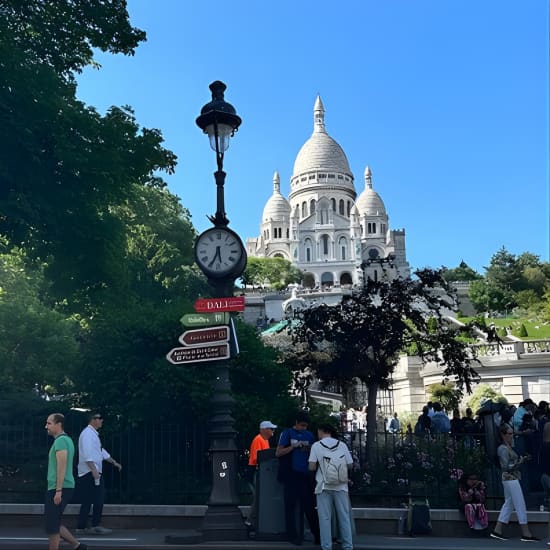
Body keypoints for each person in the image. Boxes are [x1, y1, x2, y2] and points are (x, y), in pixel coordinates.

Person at [276, 411, 320, 546]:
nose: (303, 428)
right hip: (292, 474)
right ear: (296, 423)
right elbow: (278, 452)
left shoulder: (309, 435)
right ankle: (293, 535)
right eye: (301, 425)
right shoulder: (287, 433)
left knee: (310, 507)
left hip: (305, 474)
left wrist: (308, 447)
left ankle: (317, 535)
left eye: (306, 426)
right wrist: (293, 447)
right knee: (290, 505)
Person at [490, 423, 540, 542]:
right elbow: (505, 467)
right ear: (503, 434)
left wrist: (521, 460)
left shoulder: (507, 447)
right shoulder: (502, 448)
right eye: (510, 433)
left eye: (512, 433)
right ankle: (526, 533)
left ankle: (497, 530)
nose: (512, 436)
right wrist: (520, 462)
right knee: (520, 504)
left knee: (509, 504)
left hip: (510, 478)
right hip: (510, 478)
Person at [45, 413, 87, 550]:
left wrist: (58, 490)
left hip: (59, 487)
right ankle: (77, 545)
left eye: (49, 423)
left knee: (52, 525)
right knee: (53, 522)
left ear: (59, 424)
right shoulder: (66, 440)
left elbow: (61, 466)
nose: (46, 426)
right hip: (61, 487)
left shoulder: (61, 441)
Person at [308, 424, 354, 550]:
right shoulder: (342, 445)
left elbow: (311, 467)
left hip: (323, 486)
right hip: (341, 486)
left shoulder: (316, 446)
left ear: (322, 431)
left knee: (324, 518)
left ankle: (326, 546)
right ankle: (348, 546)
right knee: (343, 517)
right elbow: (350, 464)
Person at [76, 411, 122, 535]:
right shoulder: (87, 434)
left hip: (90, 472)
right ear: (93, 419)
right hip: (89, 473)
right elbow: (87, 453)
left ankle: (83, 526)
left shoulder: (92, 434)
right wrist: (94, 470)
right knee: (96, 499)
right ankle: (92, 525)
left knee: (92, 499)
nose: (102, 420)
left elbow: (100, 451)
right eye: (99, 418)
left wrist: (114, 462)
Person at [245, 420, 277, 529]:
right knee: (257, 497)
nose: (273, 431)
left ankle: (255, 521)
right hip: (256, 471)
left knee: (259, 497)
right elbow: (256, 458)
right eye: (270, 429)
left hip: (261, 472)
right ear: (264, 430)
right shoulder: (258, 439)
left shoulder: (264, 440)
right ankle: (250, 521)